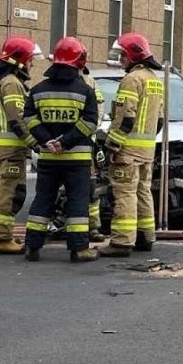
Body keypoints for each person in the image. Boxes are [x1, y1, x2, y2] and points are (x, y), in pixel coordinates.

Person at [22, 37, 99, 262]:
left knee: (43, 199)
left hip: (48, 157)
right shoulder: (85, 91)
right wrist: (65, 142)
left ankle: (32, 246)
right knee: (77, 201)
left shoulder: (38, 90)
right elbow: (91, 122)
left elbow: (29, 119)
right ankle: (78, 249)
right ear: (79, 61)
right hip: (77, 158)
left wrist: (47, 141)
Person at [99, 33, 164, 258]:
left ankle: (121, 241)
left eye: (123, 55)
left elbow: (126, 117)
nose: (120, 60)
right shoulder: (155, 80)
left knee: (124, 193)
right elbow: (160, 120)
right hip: (146, 150)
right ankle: (146, 236)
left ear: (133, 55)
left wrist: (112, 145)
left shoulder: (132, 80)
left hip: (127, 150)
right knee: (143, 191)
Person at [0, 36, 43, 255]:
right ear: (19, 60)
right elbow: (18, 119)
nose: (32, 64)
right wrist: (35, 143)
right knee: (10, 193)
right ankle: (1, 238)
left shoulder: (0, 80)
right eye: (29, 59)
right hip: (11, 150)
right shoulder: (12, 83)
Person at [81, 64, 106, 241]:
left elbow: (97, 112)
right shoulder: (52, 82)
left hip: (84, 144)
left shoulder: (90, 83)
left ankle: (92, 226)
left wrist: (84, 132)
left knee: (90, 189)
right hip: (59, 145)